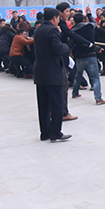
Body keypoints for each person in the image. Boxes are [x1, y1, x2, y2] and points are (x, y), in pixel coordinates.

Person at [33, 8, 71, 142]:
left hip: (40, 72)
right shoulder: (52, 30)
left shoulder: (38, 30)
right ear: (54, 18)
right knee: (57, 103)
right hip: (52, 73)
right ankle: (56, 132)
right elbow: (57, 49)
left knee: (43, 105)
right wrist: (66, 46)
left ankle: (45, 132)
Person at [71, 13, 105, 105]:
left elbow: (70, 44)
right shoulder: (89, 26)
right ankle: (98, 98)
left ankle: (75, 93)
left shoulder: (72, 31)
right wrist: (89, 14)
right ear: (84, 19)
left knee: (78, 75)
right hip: (90, 54)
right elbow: (95, 22)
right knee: (95, 77)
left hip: (79, 56)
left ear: (74, 21)